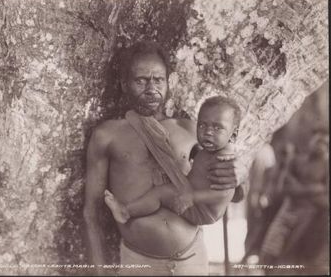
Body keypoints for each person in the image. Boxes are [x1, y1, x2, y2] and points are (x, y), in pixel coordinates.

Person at [83, 41, 246, 276]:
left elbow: (234, 192)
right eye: (141, 80)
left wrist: (241, 175)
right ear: (124, 84)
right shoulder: (108, 135)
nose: (151, 88)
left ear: (168, 83)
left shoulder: (191, 130)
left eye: (158, 80)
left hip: (192, 259)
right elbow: (91, 213)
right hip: (139, 263)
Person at [104, 96, 241, 225]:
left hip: (202, 210)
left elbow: (222, 193)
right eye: (202, 125)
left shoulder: (224, 160)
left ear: (233, 135)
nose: (208, 132)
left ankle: (125, 212)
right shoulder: (213, 148)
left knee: (160, 193)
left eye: (217, 128)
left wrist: (193, 197)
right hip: (192, 194)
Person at [259, 128, 329, 274]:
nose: (320, 145)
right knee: (267, 256)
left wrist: (300, 189)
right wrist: (315, 189)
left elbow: (326, 200)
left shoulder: (326, 167)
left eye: (324, 142)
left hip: (311, 218)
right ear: (311, 140)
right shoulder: (297, 161)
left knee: (296, 261)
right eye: (318, 140)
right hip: (287, 212)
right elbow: (283, 187)